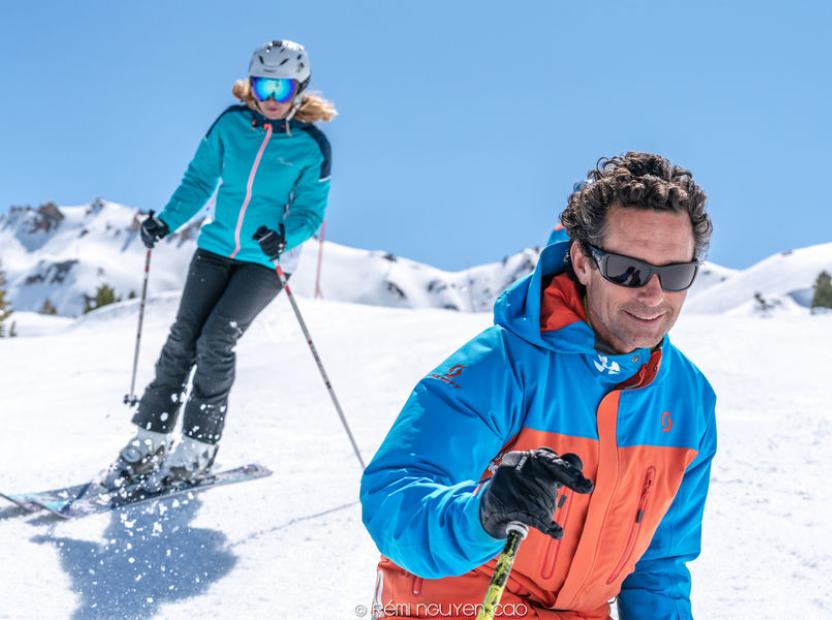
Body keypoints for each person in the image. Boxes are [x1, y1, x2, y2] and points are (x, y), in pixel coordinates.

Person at [360, 152, 717, 619]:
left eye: (674, 274)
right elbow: (394, 494)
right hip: (458, 603)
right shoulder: (502, 365)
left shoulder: (688, 400)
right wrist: (482, 515)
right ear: (583, 262)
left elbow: (659, 566)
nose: (653, 294)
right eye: (627, 270)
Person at [104, 39, 335, 491]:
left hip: (265, 262)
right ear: (250, 86)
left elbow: (311, 211)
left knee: (216, 340)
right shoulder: (231, 126)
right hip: (214, 248)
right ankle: (150, 437)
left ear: (299, 90)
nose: (269, 98)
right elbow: (199, 179)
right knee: (181, 341)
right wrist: (166, 220)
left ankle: (197, 448)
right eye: (262, 86)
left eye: (281, 88)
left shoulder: (312, 146)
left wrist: (285, 235)